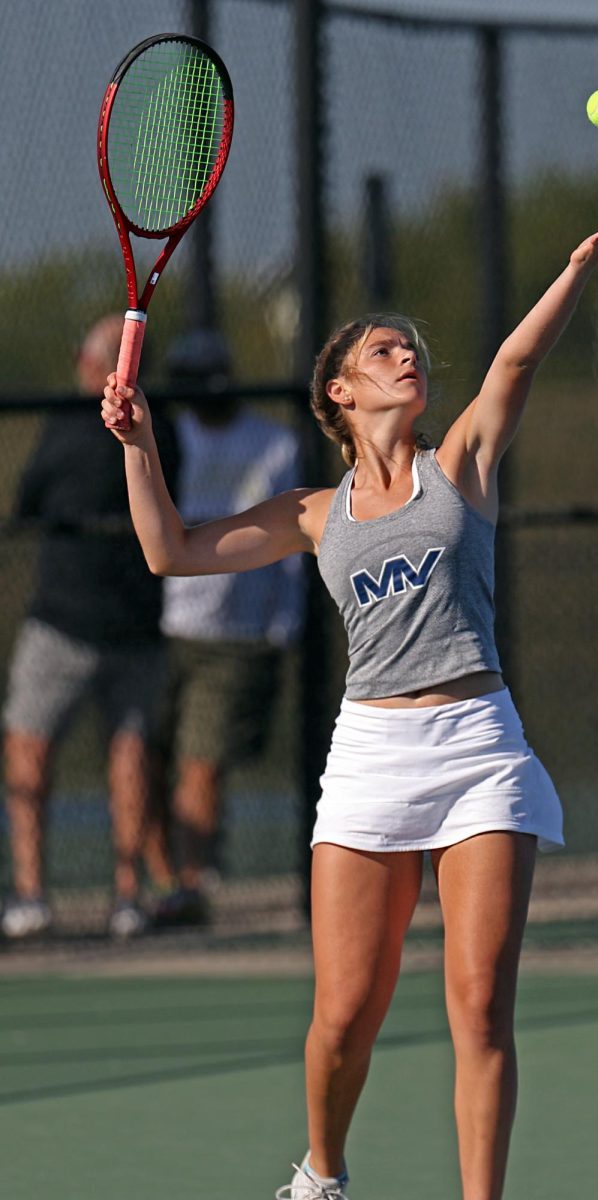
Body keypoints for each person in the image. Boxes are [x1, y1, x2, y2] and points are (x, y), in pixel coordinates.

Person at [101, 217, 598, 1198]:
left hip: (479, 748)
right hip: (369, 759)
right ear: (339, 394)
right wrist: (139, 444)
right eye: (382, 350)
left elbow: (515, 363)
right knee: (343, 1014)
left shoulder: (462, 469)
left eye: (412, 350)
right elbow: (170, 552)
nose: (408, 358)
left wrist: (574, 267)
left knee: (480, 1005)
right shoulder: (313, 512)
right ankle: (321, 1172)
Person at [2, 314, 179, 941]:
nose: (80, 361)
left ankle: (124, 896)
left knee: (129, 755)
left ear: (114, 366)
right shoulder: (79, 424)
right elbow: (29, 505)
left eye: (91, 353)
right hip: (61, 625)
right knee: (28, 747)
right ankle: (31, 896)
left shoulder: (149, 430)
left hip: (130, 628)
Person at [150, 329, 304, 926]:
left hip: (237, 635)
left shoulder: (273, 444)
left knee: (201, 762)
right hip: (167, 627)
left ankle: (193, 885)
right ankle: (163, 882)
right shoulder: (173, 436)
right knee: (147, 756)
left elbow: (292, 548)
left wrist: (281, 626)